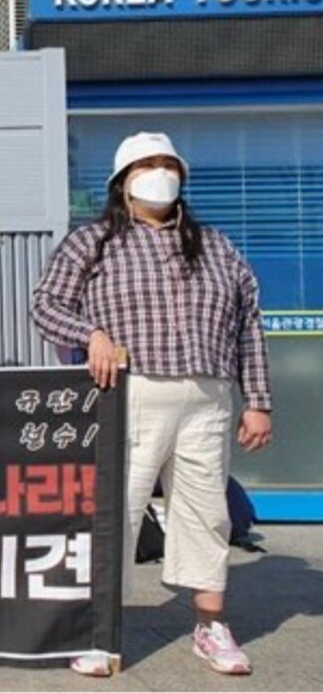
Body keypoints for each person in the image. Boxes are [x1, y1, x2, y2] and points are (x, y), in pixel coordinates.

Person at [31, 132, 272, 677]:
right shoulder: (91, 241)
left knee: (207, 511)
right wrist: (89, 332)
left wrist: (257, 400)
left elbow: (248, 323)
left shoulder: (215, 245)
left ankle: (211, 626)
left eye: (168, 164)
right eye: (146, 165)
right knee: (118, 508)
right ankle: (98, 632)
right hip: (129, 390)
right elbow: (45, 303)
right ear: (122, 181)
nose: (159, 173)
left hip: (207, 395)